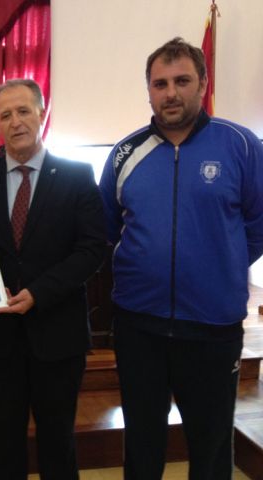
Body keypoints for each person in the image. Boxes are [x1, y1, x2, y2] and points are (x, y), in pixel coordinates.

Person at [99, 37, 263, 480]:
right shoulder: (124, 155)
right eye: (160, 83)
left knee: (210, 448)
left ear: (203, 83)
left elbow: (258, 223)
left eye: (182, 81)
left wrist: (221, 263)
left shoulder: (242, 147)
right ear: (148, 90)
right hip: (139, 326)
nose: (170, 92)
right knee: (142, 442)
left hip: (212, 329)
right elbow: (109, 229)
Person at [0, 79, 107, 479]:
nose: (16, 121)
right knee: (4, 439)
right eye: (5, 115)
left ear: (42, 114)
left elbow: (92, 249)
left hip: (58, 331)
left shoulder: (78, 175)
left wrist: (39, 293)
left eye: (23, 111)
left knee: (57, 439)